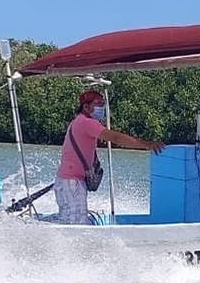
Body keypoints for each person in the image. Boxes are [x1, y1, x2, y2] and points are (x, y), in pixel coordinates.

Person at [54, 89, 165, 224]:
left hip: (68, 181)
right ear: (86, 107)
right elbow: (115, 137)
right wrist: (147, 144)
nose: (102, 108)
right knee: (75, 224)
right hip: (72, 182)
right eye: (98, 104)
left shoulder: (77, 121)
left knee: (70, 220)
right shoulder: (87, 123)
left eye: (103, 104)